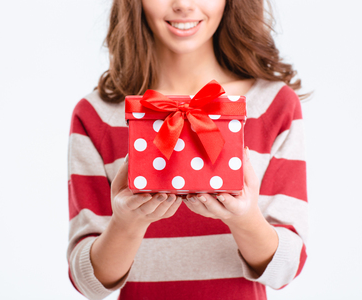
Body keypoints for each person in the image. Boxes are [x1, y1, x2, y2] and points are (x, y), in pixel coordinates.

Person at [67, 0, 308, 299]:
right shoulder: (96, 115)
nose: (183, 5)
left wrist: (244, 220)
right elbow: (87, 282)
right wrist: (126, 225)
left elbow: (287, 268)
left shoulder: (274, 106)